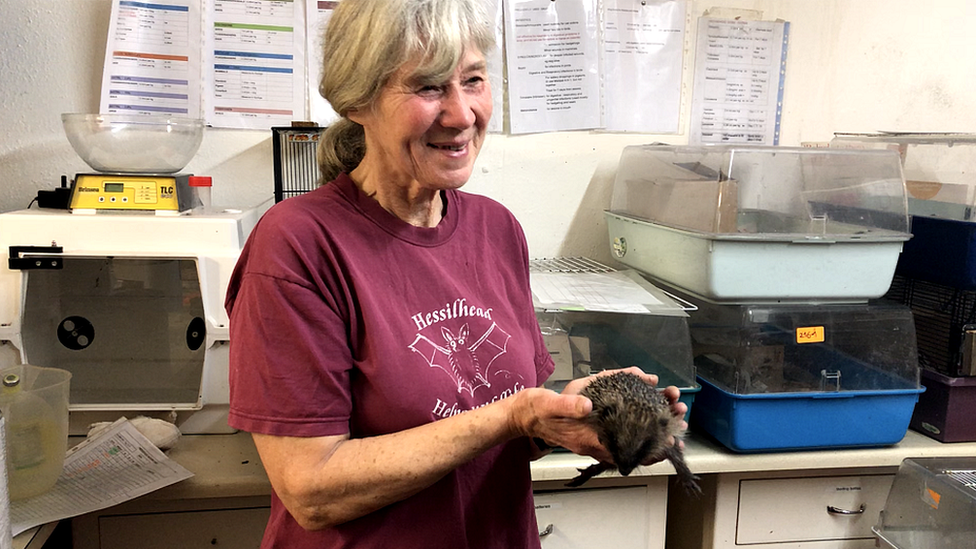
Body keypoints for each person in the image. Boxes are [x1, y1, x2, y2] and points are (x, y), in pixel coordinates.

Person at [224, 0, 687, 547]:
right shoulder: (298, 245)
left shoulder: (496, 229)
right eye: (427, 87)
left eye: (472, 80)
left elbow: (494, 427)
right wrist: (514, 416)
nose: (462, 114)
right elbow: (312, 489)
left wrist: (563, 419)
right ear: (358, 101)